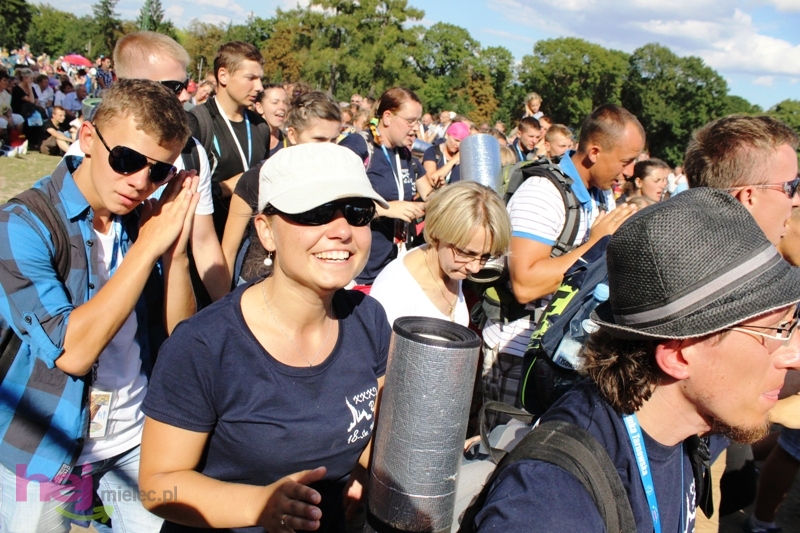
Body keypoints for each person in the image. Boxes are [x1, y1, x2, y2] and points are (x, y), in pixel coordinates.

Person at [472, 187, 800, 532]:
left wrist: (773, 409)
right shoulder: (550, 502)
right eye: (774, 331)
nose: (793, 356)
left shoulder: (686, 418)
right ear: (677, 356)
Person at [139, 143, 391, 533]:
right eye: (316, 213)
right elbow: (158, 487)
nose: (342, 231)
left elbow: (374, 438)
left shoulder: (368, 319)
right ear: (266, 231)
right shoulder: (205, 345)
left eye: (358, 213)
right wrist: (258, 505)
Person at [0, 79, 199, 532]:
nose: (139, 182)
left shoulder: (143, 222)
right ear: (88, 138)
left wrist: (176, 252)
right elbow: (73, 352)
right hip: (43, 449)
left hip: (135, 442)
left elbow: (182, 337)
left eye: (159, 171)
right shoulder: (22, 224)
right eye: (127, 160)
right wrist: (148, 247)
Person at [482, 104, 642, 412]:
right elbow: (525, 284)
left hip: (562, 352)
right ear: (594, 151)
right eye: (626, 161)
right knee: (504, 452)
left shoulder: (601, 193)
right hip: (518, 354)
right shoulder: (543, 192)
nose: (630, 172)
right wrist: (595, 245)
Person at [683, 114, 800, 533]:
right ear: (749, 195)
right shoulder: (710, 277)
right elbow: (744, 388)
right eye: (791, 187)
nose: (797, 200)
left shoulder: (695, 248)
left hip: (698, 452)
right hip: (670, 460)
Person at [64, 31, 230, 303]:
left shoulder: (191, 152)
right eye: (126, 161)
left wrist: (227, 311)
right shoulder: (89, 154)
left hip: (159, 309)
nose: (184, 97)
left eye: (160, 171)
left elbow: (203, 241)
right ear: (131, 86)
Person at [223, 90, 343, 283]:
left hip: (312, 286)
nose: (328, 148)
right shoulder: (257, 178)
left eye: (334, 140)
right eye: (319, 140)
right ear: (293, 135)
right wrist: (222, 305)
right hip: (255, 285)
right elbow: (228, 250)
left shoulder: (337, 182)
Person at [371, 182, 510, 326]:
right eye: (466, 253)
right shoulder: (394, 291)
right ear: (438, 233)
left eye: (485, 256)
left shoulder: (451, 266)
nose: (475, 268)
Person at [339, 87, 427, 287]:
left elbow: (429, 193)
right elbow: (335, 198)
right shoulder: (359, 145)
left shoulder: (405, 154)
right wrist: (387, 208)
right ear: (387, 117)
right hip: (357, 271)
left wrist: (430, 206)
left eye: (418, 121)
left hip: (392, 266)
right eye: (410, 121)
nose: (416, 128)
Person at [188, 41, 269, 238]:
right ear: (223, 75)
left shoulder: (260, 127)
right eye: (251, 78)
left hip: (248, 246)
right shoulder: (198, 122)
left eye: (260, 79)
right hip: (206, 244)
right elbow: (184, 192)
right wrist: (225, 188)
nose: (259, 87)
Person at [418, 121, 469, 200]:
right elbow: (432, 179)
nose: (458, 145)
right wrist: (453, 160)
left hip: (454, 201)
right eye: (456, 140)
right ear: (447, 135)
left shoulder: (465, 157)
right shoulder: (432, 151)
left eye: (461, 143)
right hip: (433, 199)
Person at [255, 83, 289, 157]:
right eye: (275, 102)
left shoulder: (289, 141)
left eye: (285, 103)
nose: (282, 107)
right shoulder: (248, 139)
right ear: (259, 107)